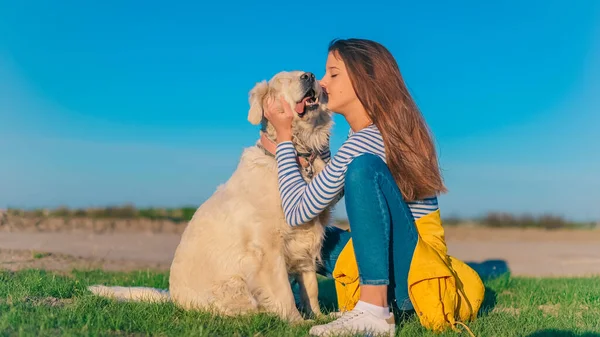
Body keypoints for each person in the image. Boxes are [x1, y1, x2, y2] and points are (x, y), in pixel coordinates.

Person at [264, 38, 447, 337]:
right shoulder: (375, 132)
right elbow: (323, 193)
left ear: (364, 82)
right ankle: (293, 296)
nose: (322, 82)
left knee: (360, 171)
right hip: (406, 258)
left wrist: (284, 138)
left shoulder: (365, 143)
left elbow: (298, 211)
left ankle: (375, 312)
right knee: (312, 236)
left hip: (414, 272)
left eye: (333, 74)